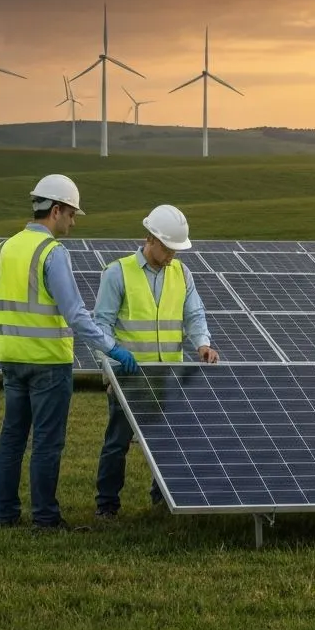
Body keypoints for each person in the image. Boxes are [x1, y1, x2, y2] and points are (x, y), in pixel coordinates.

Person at [0, 174, 137, 531]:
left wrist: (11, 345)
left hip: (11, 359)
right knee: (46, 442)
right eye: (71, 214)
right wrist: (112, 347)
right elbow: (75, 314)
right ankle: (46, 518)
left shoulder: (4, 249)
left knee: (11, 438)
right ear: (55, 211)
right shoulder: (52, 253)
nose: (73, 222)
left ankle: (5, 515)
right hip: (49, 365)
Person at [94, 203, 218, 518]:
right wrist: (108, 370)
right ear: (151, 238)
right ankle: (107, 504)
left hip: (169, 375)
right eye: (169, 247)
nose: (173, 254)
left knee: (168, 441)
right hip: (129, 375)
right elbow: (101, 327)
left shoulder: (181, 273)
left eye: (177, 248)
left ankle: (161, 498)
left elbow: (194, 314)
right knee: (117, 442)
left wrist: (203, 344)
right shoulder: (117, 272)